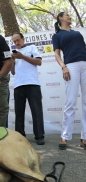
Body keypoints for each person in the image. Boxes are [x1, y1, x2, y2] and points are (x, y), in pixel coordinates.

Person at [52, 12, 86, 150]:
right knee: (71, 101)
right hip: (71, 66)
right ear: (60, 18)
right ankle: (64, 136)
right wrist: (63, 67)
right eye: (67, 15)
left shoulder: (77, 33)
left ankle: (84, 137)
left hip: (85, 64)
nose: (69, 17)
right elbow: (56, 54)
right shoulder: (57, 35)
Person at [11, 32, 45, 145]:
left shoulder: (32, 48)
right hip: (18, 85)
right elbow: (13, 72)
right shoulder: (14, 54)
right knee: (19, 112)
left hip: (33, 83)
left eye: (18, 40)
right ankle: (20, 136)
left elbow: (39, 62)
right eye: (14, 41)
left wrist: (22, 57)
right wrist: (12, 60)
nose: (17, 43)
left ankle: (39, 136)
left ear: (23, 39)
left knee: (36, 111)